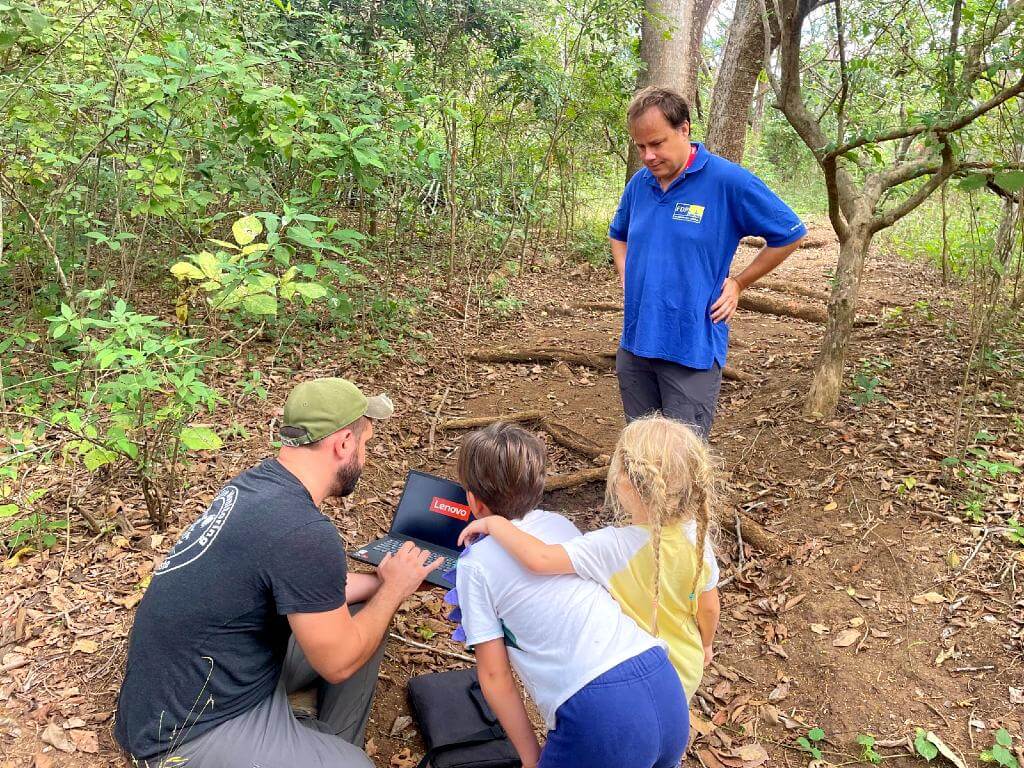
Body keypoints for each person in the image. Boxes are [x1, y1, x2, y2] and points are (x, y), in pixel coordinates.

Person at [114, 377, 442, 767]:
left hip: (199, 681)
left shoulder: (257, 486)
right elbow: (337, 663)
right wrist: (392, 593)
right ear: (343, 444)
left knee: (363, 609)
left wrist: (384, 583)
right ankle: (325, 754)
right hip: (187, 729)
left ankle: (321, 743)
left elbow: (305, 586)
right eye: (365, 443)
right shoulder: (302, 531)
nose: (366, 456)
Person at [450, 422, 688, 768]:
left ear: (472, 500)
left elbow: (494, 676)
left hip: (601, 712)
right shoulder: (557, 524)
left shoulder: (475, 565)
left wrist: (532, 758)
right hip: (662, 682)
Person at [459, 415, 720, 702]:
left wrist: (496, 524)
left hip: (639, 668)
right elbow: (708, 607)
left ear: (624, 483)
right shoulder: (697, 537)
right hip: (687, 664)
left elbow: (540, 558)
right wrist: (706, 644)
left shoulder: (614, 545)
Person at [610, 86, 807, 437]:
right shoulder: (640, 184)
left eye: (657, 144)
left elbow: (789, 233)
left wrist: (738, 283)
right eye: (641, 147)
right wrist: (627, 275)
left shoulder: (727, 181)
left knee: (683, 461)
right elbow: (618, 233)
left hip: (692, 349)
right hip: (637, 345)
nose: (648, 156)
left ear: (684, 129)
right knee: (640, 453)